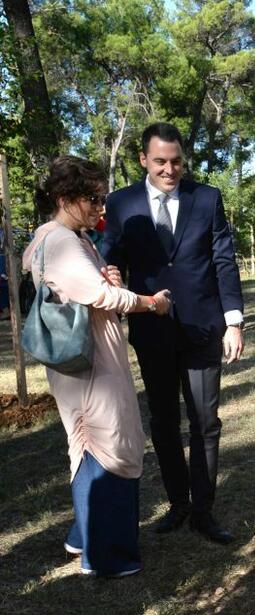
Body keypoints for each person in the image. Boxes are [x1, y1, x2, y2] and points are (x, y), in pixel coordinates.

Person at [25, 156, 172, 576]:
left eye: (102, 197)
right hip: (89, 361)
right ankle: (105, 556)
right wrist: (150, 303)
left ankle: (84, 535)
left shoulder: (55, 237)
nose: (100, 207)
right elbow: (102, 298)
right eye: (91, 198)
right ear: (63, 198)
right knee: (105, 444)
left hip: (80, 358)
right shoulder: (63, 241)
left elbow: (82, 286)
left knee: (91, 441)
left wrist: (103, 276)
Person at [103, 122, 245, 545]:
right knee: (164, 422)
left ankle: (203, 509)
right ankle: (178, 503)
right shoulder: (121, 202)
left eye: (177, 161)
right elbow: (111, 256)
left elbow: (224, 260)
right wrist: (109, 272)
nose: (170, 169)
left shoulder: (207, 198)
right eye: (161, 161)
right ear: (144, 160)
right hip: (152, 330)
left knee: (206, 422)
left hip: (203, 328)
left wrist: (233, 321)